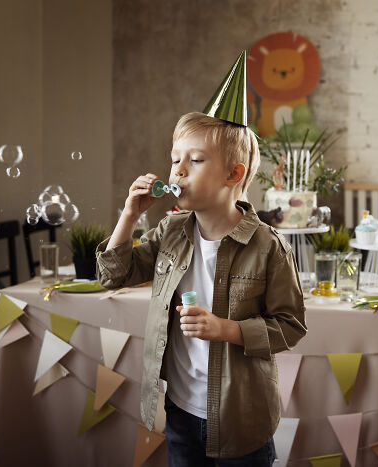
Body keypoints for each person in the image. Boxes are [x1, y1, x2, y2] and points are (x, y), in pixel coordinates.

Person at [96, 53, 306, 466]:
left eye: (194, 160)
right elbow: (113, 276)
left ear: (232, 175)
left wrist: (226, 329)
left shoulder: (268, 246)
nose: (177, 172)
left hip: (241, 416)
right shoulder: (171, 232)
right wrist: (129, 216)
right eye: (175, 159)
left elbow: (290, 327)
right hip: (181, 411)